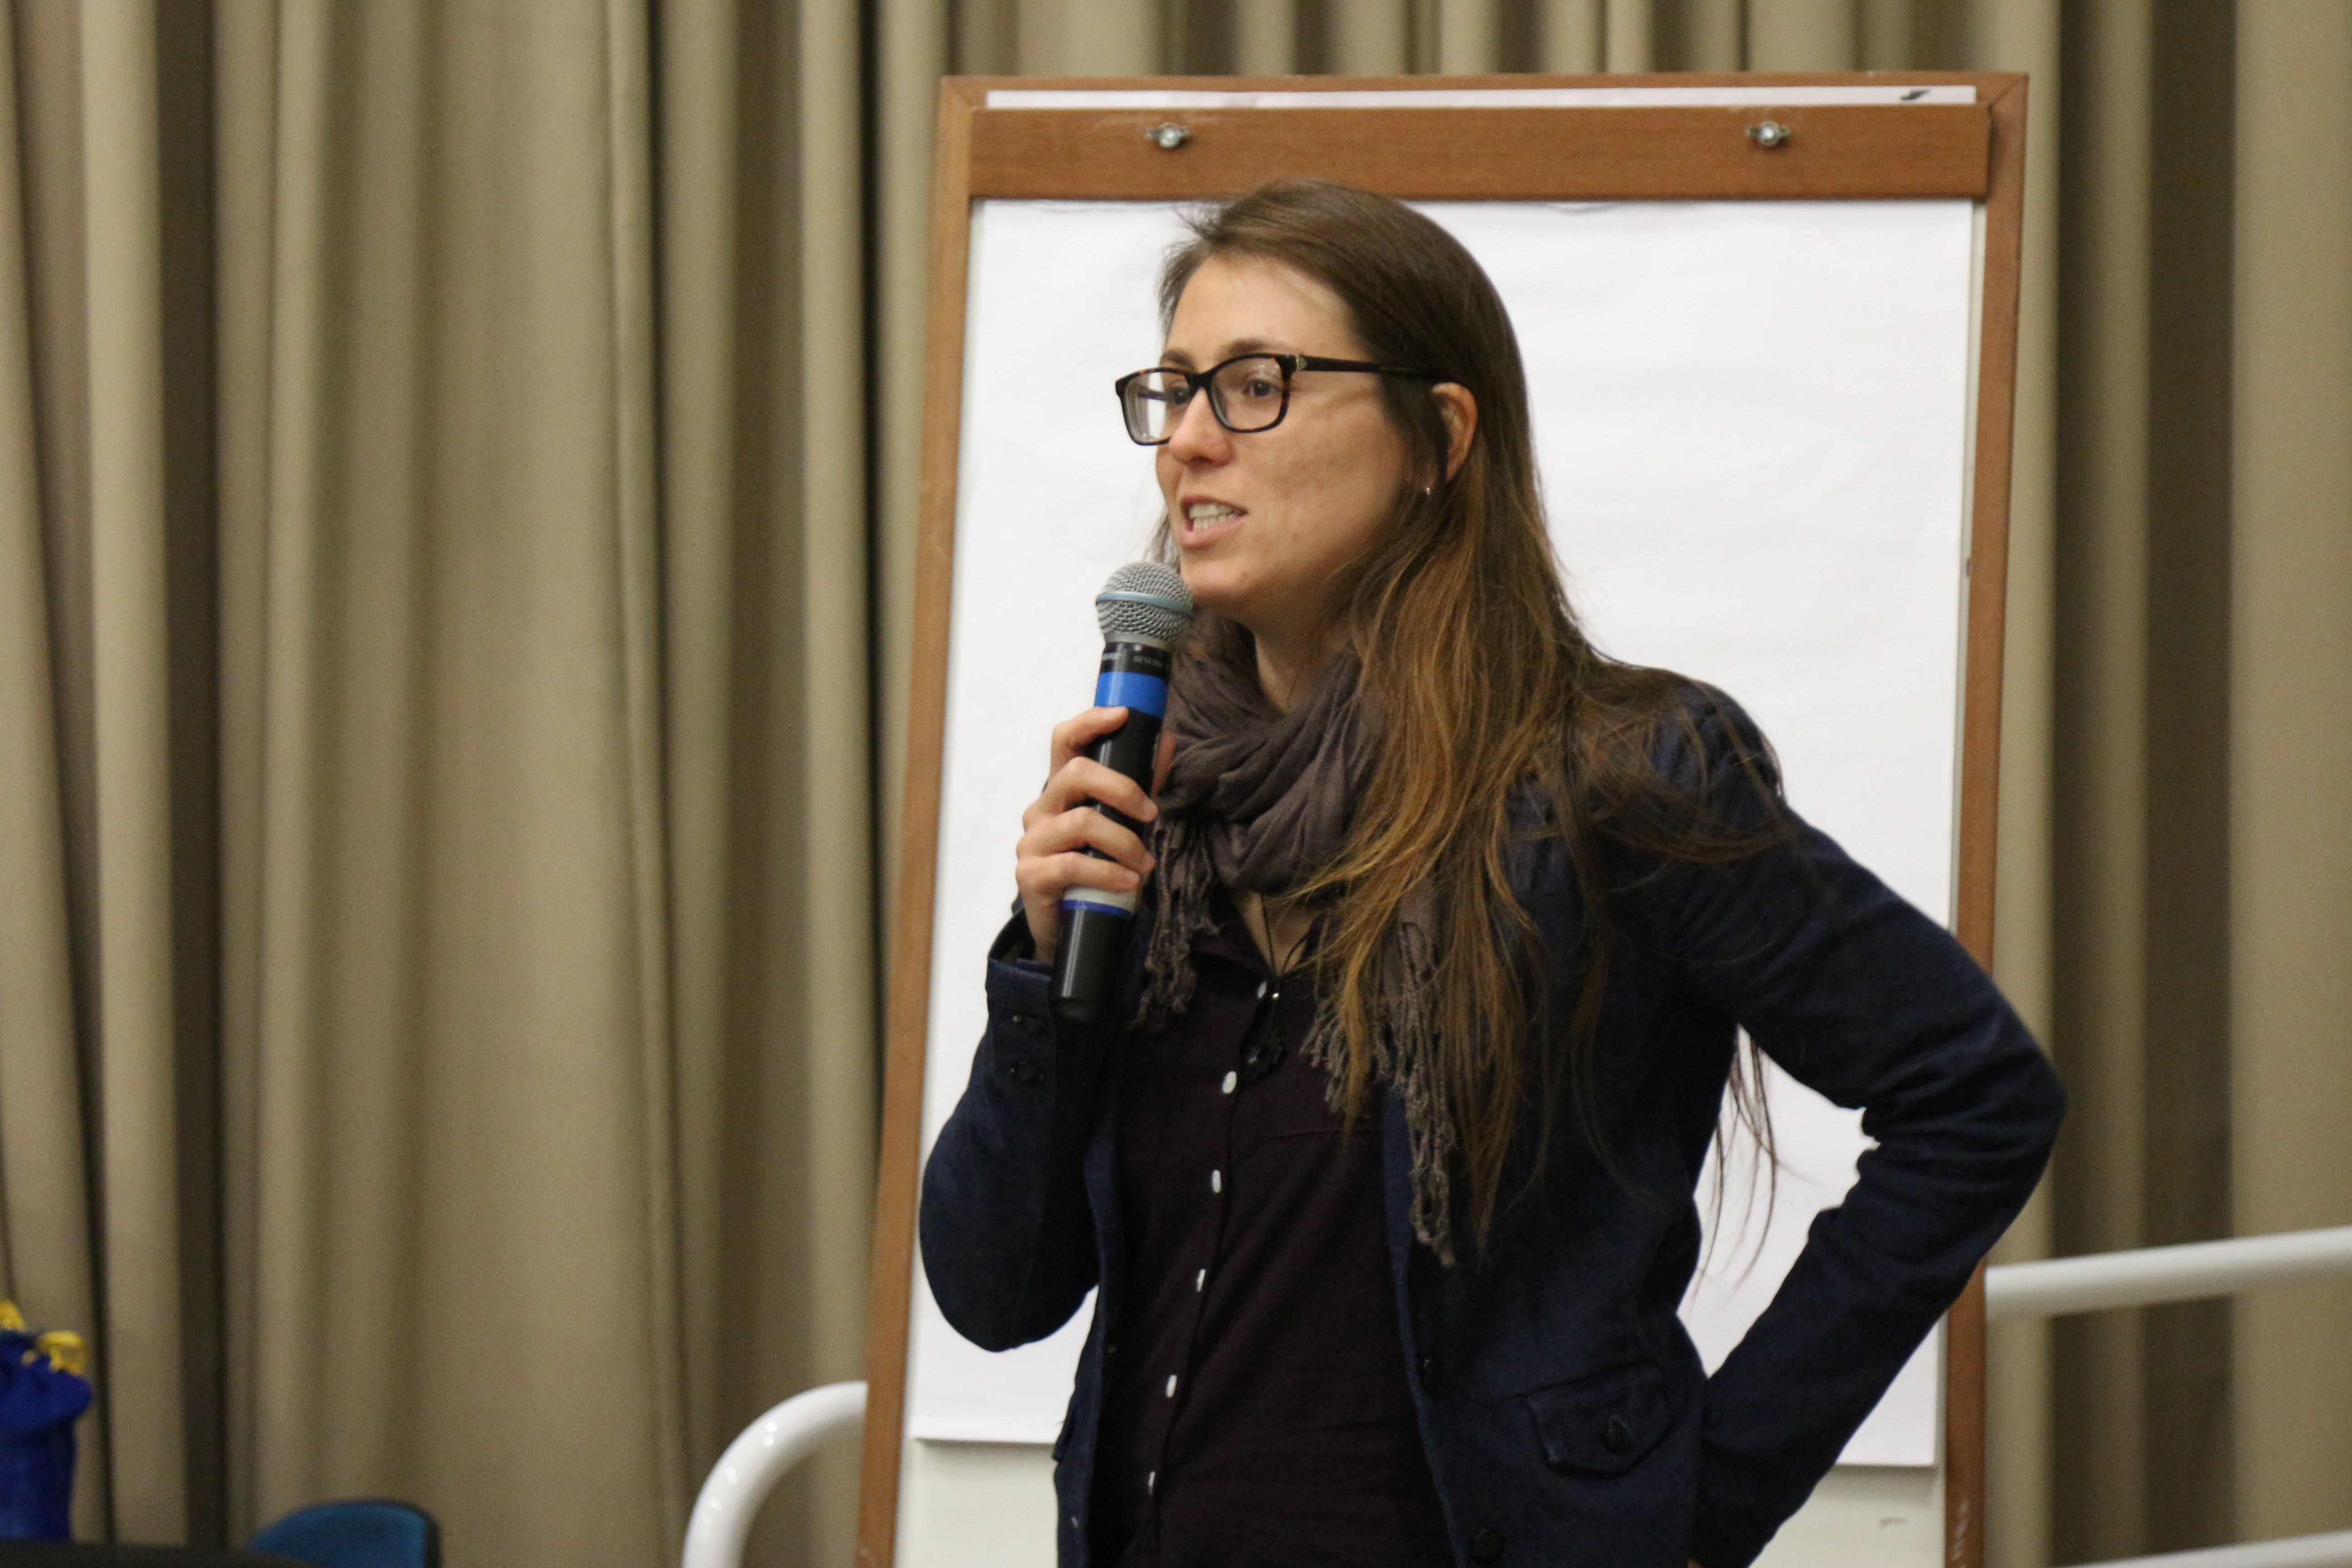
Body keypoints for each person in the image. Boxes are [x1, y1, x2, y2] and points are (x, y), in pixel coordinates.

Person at [918, 178, 2063, 1568]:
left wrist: (1698, 1502)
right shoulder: (1150, 798)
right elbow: (996, 1292)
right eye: (1175, 391)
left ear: (1438, 437)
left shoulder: (1616, 775)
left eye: (1258, 386)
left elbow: (1975, 1096)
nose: (1193, 442)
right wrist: (1045, 978)